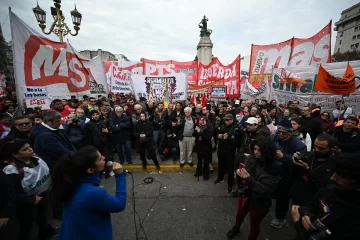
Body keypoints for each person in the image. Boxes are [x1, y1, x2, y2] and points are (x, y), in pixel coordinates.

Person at [51, 146, 127, 240]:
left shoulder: (73, 182)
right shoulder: (93, 193)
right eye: (100, 159)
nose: (104, 158)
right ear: (90, 170)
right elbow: (120, 204)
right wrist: (120, 176)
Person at [291, 152, 360, 240]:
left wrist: (297, 223)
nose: (332, 178)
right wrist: (305, 213)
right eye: (335, 172)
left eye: (342, 176)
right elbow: (309, 205)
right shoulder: (330, 190)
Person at [1, 138, 56, 240]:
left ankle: (44, 233)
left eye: (29, 147)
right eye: (25, 149)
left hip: (43, 195)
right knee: (27, 226)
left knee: (42, 218)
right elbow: (10, 194)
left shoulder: (36, 158)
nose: (30, 149)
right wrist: (30, 199)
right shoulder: (11, 171)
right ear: (15, 155)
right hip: (27, 203)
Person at [227, 137, 280, 240]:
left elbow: (265, 189)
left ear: (266, 151)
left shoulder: (273, 168)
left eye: (259, 150)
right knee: (240, 213)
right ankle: (236, 227)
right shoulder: (252, 158)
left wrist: (248, 178)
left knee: (254, 224)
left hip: (260, 200)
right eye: (255, 149)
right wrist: (240, 174)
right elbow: (245, 171)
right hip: (247, 194)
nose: (256, 152)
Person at [270, 119, 307, 229]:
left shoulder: (298, 145)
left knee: (283, 197)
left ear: (290, 133)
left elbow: (299, 164)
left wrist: (283, 157)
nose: (280, 135)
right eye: (279, 132)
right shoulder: (272, 138)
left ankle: (280, 217)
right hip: (273, 172)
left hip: (288, 175)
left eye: (284, 133)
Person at [290, 134, 338, 205]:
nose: (316, 150)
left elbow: (323, 184)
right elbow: (295, 174)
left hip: (315, 201)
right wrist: (295, 162)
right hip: (298, 195)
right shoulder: (310, 155)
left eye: (321, 148)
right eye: (315, 146)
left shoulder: (336, 163)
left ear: (333, 148)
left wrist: (307, 169)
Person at [215, 114, 237, 192]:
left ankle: (230, 183)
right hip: (221, 148)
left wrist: (229, 137)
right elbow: (217, 134)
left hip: (230, 150)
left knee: (230, 167)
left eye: (228, 120)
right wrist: (219, 135)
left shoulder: (235, 128)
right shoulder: (222, 126)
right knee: (221, 164)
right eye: (225, 120)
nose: (226, 122)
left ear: (232, 120)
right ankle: (220, 178)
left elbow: (237, 140)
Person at [193, 116, 213, 181]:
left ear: (206, 121)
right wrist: (196, 130)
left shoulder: (209, 128)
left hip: (206, 148)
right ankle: (198, 172)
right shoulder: (199, 127)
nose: (201, 122)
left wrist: (200, 132)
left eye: (203, 120)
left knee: (206, 162)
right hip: (199, 147)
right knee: (199, 161)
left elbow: (207, 137)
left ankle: (206, 175)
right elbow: (194, 135)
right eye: (201, 120)